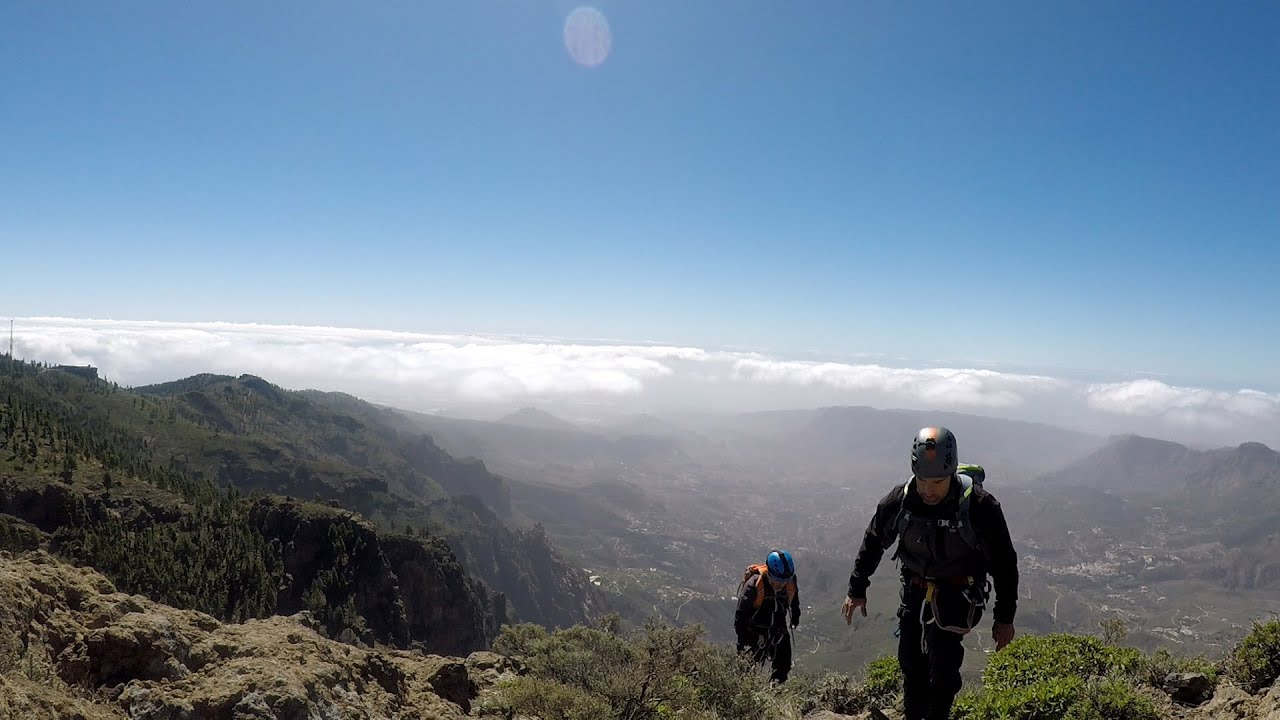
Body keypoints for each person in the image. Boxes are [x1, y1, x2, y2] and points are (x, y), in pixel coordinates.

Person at [841, 427, 1019, 720]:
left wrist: (1004, 617)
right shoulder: (901, 500)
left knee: (944, 666)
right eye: (923, 480)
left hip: (958, 596)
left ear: (951, 472)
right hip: (914, 590)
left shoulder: (979, 506)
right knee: (910, 662)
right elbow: (874, 540)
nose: (929, 490)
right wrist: (856, 588)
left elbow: (1004, 563)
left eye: (937, 481)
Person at [735, 549, 801, 683]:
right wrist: (744, 642)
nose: (780, 585)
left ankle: (775, 693)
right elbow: (740, 617)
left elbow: (794, 599)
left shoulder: (790, 580)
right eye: (776, 581)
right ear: (769, 573)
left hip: (778, 627)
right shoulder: (754, 585)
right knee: (746, 670)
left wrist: (795, 617)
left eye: (783, 582)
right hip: (753, 630)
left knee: (783, 666)